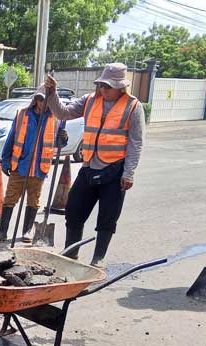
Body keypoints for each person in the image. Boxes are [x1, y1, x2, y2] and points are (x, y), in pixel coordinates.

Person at [45, 63, 144, 267]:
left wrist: (129, 173)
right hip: (89, 167)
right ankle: (71, 254)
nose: (103, 90)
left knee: (107, 218)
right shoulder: (90, 100)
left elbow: (136, 142)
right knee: (73, 210)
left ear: (120, 87)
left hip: (115, 171)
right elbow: (63, 113)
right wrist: (52, 93)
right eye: (101, 85)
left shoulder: (133, 106)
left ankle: (98, 258)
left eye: (108, 86)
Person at [0, 85, 68, 244]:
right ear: (36, 100)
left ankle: (27, 231)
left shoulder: (56, 119)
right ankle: (2, 232)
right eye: (40, 99)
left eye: (46, 100)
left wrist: (63, 138)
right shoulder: (22, 115)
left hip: (39, 167)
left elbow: (58, 143)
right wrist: (6, 159)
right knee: (10, 199)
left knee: (33, 200)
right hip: (20, 165)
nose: (43, 103)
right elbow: (12, 138)